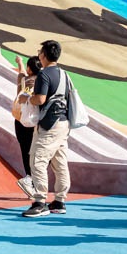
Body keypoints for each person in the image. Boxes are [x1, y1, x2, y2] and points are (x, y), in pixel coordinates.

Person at [22, 39, 72, 218]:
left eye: (39, 52)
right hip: (64, 123)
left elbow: (40, 99)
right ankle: (59, 201)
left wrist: (27, 99)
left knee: (37, 159)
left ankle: (40, 201)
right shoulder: (64, 74)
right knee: (60, 162)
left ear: (43, 55)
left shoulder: (44, 75)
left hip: (49, 124)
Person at [13, 55, 43, 198]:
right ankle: (34, 180)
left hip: (20, 120)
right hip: (34, 122)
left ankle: (29, 179)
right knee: (34, 151)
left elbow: (21, 73)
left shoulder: (23, 80)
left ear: (30, 68)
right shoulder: (41, 83)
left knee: (25, 151)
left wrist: (20, 62)